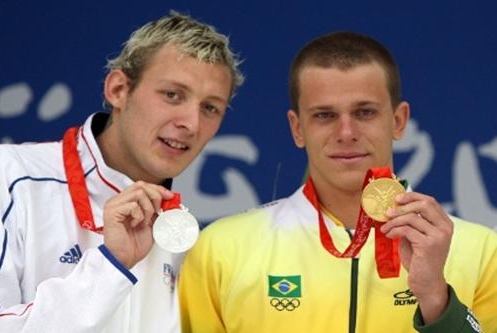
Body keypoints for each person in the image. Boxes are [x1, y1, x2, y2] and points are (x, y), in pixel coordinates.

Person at [178, 31, 497, 333]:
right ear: (297, 128)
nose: (346, 133)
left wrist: (435, 297)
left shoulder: (481, 252)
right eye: (325, 115)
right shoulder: (222, 250)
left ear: (398, 121)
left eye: (365, 112)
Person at [0, 10, 243, 332]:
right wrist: (109, 267)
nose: (191, 123)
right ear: (117, 90)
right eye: (172, 95)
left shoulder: (183, 237)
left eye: (210, 108)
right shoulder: (11, 177)